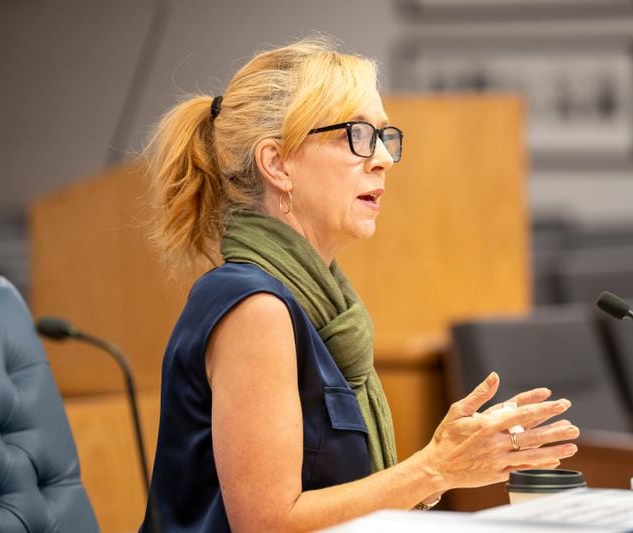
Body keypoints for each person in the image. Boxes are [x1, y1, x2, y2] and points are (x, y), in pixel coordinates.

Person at [141, 36, 579, 532]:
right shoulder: (253, 306)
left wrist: (439, 473)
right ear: (277, 164)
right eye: (357, 136)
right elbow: (265, 524)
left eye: (384, 138)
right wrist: (434, 466)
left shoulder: (323, 304)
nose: (383, 160)